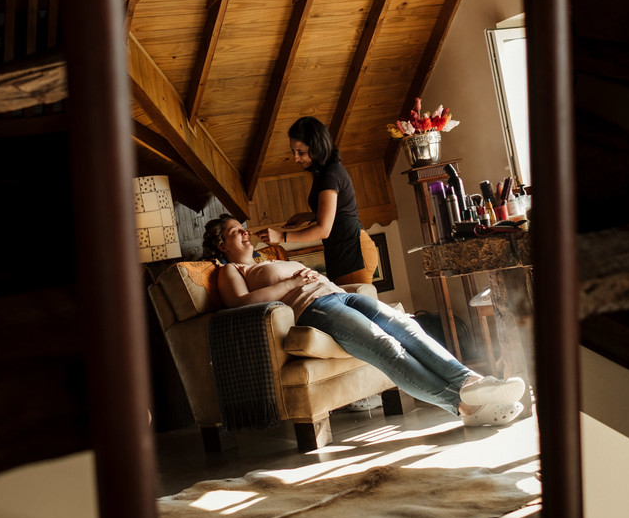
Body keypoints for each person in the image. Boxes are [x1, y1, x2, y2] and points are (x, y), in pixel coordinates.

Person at [204, 215, 525, 426]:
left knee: (407, 326)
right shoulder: (231, 271)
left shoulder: (266, 259)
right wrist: (292, 283)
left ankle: (472, 383)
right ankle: (464, 405)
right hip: (315, 307)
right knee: (384, 346)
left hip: (338, 294)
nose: (245, 233)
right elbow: (239, 304)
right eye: (235, 231)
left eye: (243, 228)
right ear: (222, 245)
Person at [255, 116, 375, 286]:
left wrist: (281, 237)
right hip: (343, 251)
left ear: (317, 148)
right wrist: (308, 216)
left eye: (301, 152)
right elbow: (340, 211)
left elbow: (323, 230)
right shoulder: (326, 172)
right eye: (293, 151)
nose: (295, 158)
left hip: (353, 252)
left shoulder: (330, 175)